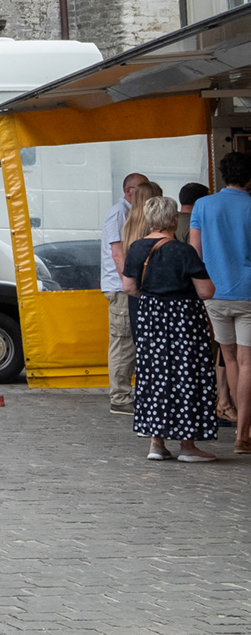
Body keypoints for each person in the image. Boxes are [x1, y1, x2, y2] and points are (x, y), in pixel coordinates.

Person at [124, 194, 219, 461]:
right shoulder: (183, 250)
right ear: (173, 220)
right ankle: (187, 446)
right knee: (186, 375)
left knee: (156, 376)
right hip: (183, 321)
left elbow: (128, 287)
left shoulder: (137, 248)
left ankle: (157, 444)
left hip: (151, 319)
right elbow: (206, 291)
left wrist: (154, 299)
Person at [191, 151, 251, 455]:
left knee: (228, 358)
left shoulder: (203, 205)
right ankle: (244, 433)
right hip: (249, 294)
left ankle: (240, 420)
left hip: (215, 293)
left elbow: (195, 253)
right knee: (247, 361)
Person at [102, 171, 149, 416]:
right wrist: (127, 282)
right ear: (129, 190)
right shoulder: (119, 213)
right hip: (121, 288)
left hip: (125, 286)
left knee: (129, 340)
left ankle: (124, 394)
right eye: (142, 188)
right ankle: (119, 397)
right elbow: (117, 253)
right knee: (123, 342)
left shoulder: (129, 213)